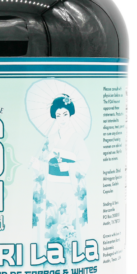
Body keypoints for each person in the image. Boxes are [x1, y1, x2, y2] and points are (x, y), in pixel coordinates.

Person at [31, 94, 90, 258]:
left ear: (70, 114)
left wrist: (69, 167)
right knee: (52, 222)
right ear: (54, 117)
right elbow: (44, 163)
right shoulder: (50, 139)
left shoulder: (76, 139)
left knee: (68, 223)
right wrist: (37, 165)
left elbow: (85, 162)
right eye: (58, 115)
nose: (62, 118)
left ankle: (69, 258)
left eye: (65, 114)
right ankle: (51, 256)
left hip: (69, 189)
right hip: (51, 189)